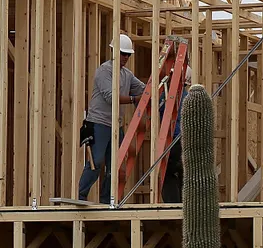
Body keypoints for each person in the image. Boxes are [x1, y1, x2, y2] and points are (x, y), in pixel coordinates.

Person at [78, 33, 145, 204]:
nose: (125, 57)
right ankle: (81, 195)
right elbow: (110, 97)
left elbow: (143, 89)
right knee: (96, 161)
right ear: (114, 52)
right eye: (123, 53)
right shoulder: (104, 71)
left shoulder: (127, 75)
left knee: (115, 166)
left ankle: (107, 200)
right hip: (98, 123)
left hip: (115, 126)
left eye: (127, 54)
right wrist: (133, 99)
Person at [160, 66, 191, 203]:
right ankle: (182, 205)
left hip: (173, 141)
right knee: (181, 175)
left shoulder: (170, 96)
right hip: (183, 142)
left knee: (168, 173)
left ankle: (172, 206)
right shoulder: (188, 98)